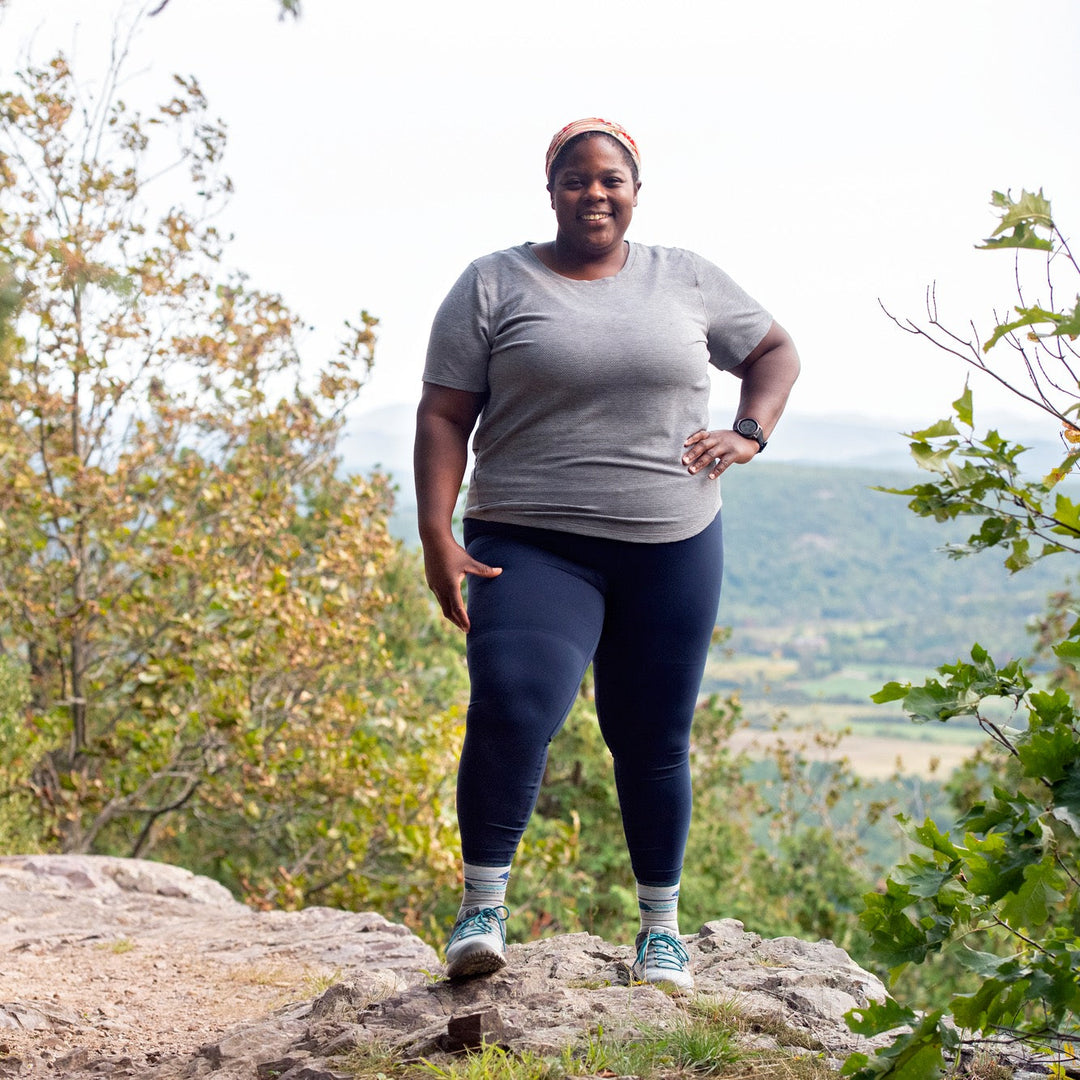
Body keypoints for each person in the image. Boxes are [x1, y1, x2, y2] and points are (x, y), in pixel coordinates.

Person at [413, 117, 800, 989]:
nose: (595, 194)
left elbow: (775, 352)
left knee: (651, 739)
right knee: (515, 703)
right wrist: (437, 530)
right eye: (577, 179)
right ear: (550, 190)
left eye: (611, 180)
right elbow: (443, 415)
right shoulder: (492, 283)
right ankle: (482, 907)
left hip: (672, 544)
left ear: (635, 190)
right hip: (530, 538)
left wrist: (748, 433)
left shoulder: (686, 277)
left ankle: (661, 930)